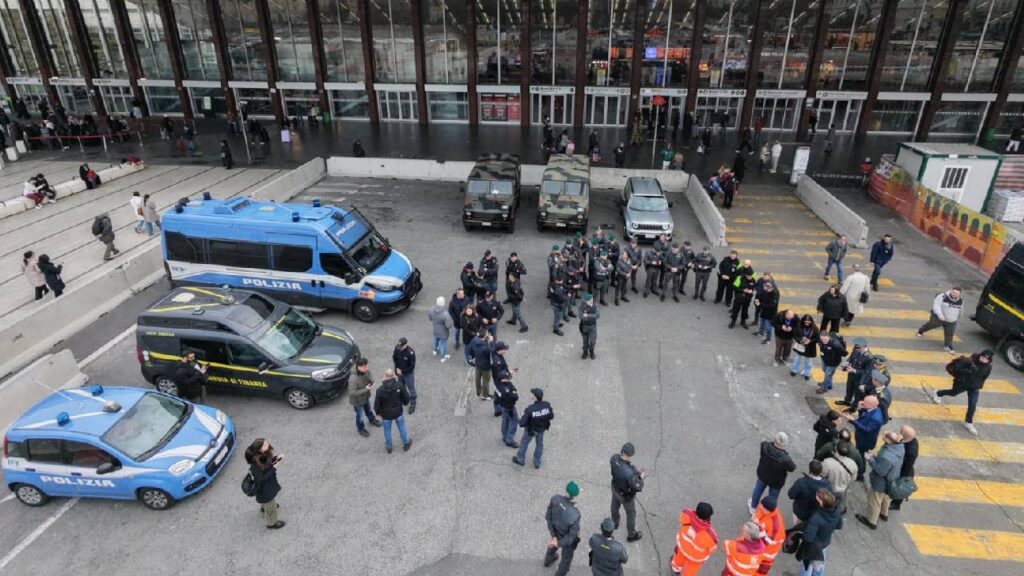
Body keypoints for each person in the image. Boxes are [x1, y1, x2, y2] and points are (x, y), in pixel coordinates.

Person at [932, 349, 993, 436]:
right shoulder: (969, 361)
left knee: (972, 405)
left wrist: (980, 385)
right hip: (962, 384)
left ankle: (968, 422)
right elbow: (956, 369)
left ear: (989, 361)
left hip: (974, 387)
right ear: (980, 355)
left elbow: (984, 377)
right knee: (953, 393)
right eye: (982, 357)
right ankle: (938, 393)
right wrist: (968, 371)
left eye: (986, 359)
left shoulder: (988, 367)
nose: (983, 360)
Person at [856, 431, 905, 530]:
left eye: (885, 437)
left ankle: (872, 521)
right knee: (886, 498)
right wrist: (875, 456)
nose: (883, 437)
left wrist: (869, 459)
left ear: (889, 441)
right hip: (893, 479)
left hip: (880, 483)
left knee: (875, 501)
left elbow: (880, 471)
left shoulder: (887, 456)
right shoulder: (900, 448)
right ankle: (884, 514)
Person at [748, 432, 796, 514]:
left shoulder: (764, 445)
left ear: (774, 439)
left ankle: (753, 506)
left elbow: (763, 446)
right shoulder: (786, 459)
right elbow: (792, 468)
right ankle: (769, 511)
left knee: (758, 490)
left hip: (763, 474)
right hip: (776, 481)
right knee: (773, 497)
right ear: (784, 444)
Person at [798, 489, 842, 576]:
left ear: (821, 503)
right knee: (819, 567)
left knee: (807, 567)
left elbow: (808, 538)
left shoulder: (816, 518)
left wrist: (801, 533)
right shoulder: (836, 512)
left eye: (817, 498)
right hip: (825, 543)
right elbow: (839, 526)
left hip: (813, 546)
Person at [244, 439, 286, 529]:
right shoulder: (255, 466)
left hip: (266, 487)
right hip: (265, 489)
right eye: (265, 444)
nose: (268, 444)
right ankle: (272, 523)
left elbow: (267, 464)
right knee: (270, 505)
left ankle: (265, 507)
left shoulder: (262, 455)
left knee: (267, 502)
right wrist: (274, 467)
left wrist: (275, 459)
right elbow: (261, 479)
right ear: (260, 449)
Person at [610, 442, 646, 542]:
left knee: (614, 506)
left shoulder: (614, 458)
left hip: (615, 488)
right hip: (626, 496)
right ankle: (631, 535)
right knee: (631, 514)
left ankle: (614, 523)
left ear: (622, 451)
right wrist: (640, 478)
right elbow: (637, 486)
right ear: (630, 455)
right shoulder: (630, 473)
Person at [544, 481, 582, 576]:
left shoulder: (555, 498)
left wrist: (553, 535)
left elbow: (548, 517)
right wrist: (558, 543)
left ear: (566, 490)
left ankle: (548, 560)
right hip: (565, 538)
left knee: (552, 546)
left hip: (555, 532)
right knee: (566, 560)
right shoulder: (575, 514)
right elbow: (571, 536)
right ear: (575, 496)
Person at [669, 502, 718, 575]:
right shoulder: (710, 535)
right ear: (709, 518)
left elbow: (683, 515)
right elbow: (712, 549)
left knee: (678, 559)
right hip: (696, 557)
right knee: (691, 570)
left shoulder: (686, 514)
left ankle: (675, 569)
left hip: (683, 546)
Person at [843, 395, 884, 476]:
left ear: (872, 405)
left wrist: (853, 420)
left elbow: (866, 429)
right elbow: (863, 417)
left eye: (865, 402)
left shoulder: (876, 418)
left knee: (861, 457)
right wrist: (860, 408)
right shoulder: (872, 409)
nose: (862, 403)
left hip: (865, 441)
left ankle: (860, 473)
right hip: (861, 437)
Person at [374, 368, 412, 453]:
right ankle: (406, 443)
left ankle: (389, 447)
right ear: (393, 376)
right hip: (398, 412)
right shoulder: (399, 386)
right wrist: (404, 403)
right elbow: (407, 398)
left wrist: (378, 413)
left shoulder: (379, 390)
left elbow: (377, 405)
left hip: (386, 415)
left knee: (387, 431)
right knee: (402, 427)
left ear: (385, 376)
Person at [916, 287, 964, 354]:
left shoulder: (961, 300)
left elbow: (961, 310)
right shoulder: (942, 296)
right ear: (951, 291)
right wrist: (940, 315)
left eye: (956, 293)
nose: (954, 294)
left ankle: (947, 346)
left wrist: (957, 317)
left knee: (949, 334)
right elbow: (936, 306)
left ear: (959, 294)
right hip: (939, 318)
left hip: (951, 321)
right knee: (930, 325)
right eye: (953, 292)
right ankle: (921, 331)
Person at [514, 387, 553, 468]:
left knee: (524, 443)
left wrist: (519, 420)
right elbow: (551, 416)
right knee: (539, 444)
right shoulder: (547, 405)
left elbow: (522, 423)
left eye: (533, 395)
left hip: (531, 430)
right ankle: (537, 462)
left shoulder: (530, 409)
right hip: (542, 429)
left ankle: (520, 459)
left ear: (535, 397)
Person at [788, 461, 833, 525]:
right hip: (816, 514)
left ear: (810, 470)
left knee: (797, 527)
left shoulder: (801, 482)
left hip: (800, 512)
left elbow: (791, 495)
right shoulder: (827, 484)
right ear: (821, 471)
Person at [820, 442, 856, 514]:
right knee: (839, 504)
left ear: (836, 449)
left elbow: (822, 475)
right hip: (843, 489)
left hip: (830, 489)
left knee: (826, 504)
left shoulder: (827, 462)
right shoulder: (853, 464)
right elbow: (853, 479)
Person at [752, 496, 785, 575]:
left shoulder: (775, 526)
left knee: (760, 572)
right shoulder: (764, 508)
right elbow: (756, 517)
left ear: (767, 510)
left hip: (767, 552)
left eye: (761, 507)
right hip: (758, 546)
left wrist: (757, 530)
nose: (759, 507)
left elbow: (767, 542)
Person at [790, 315, 820, 381]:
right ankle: (794, 370)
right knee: (797, 359)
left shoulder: (814, 328)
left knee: (808, 362)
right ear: (803, 320)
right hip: (800, 346)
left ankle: (807, 373)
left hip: (810, 347)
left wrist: (810, 341)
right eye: (805, 320)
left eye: (808, 320)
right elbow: (795, 335)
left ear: (811, 321)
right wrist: (800, 341)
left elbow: (818, 338)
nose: (807, 322)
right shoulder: (799, 326)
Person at [494, 369, 519, 447]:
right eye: (506, 378)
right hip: (509, 407)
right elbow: (515, 397)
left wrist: (513, 390)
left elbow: (512, 387)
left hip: (503, 406)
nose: (508, 379)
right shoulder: (505, 389)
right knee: (514, 421)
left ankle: (504, 436)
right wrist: (513, 392)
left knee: (505, 420)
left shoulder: (497, 384)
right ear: (502, 379)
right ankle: (509, 439)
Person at [392, 337, 417, 414]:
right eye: (399, 346)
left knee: (411, 389)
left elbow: (412, 366)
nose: (400, 348)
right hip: (399, 373)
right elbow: (394, 358)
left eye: (402, 346)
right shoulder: (397, 348)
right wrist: (396, 369)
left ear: (406, 345)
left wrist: (402, 371)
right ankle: (404, 399)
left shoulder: (410, 353)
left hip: (408, 374)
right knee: (401, 387)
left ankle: (412, 404)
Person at [469, 330, 494, 399]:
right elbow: (493, 351)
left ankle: (478, 391)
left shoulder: (474, 340)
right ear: (485, 336)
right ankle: (485, 395)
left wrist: (473, 357)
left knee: (477, 378)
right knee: (486, 381)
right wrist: (491, 342)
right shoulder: (485, 346)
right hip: (485, 366)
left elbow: (470, 350)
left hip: (477, 363)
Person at [428, 296, 453, 362]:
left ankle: (434, 351)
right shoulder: (446, 314)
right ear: (443, 303)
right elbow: (448, 326)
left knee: (435, 340)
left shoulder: (431, 309)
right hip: (443, 332)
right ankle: (442, 357)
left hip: (435, 329)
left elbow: (430, 318)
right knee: (443, 344)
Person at [579, 292, 600, 360]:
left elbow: (597, 315)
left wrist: (587, 315)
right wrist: (592, 317)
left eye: (592, 300)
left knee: (593, 341)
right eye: (590, 301)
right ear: (586, 301)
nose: (592, 302)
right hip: (584, 326)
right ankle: (585, 352)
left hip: (592, 326)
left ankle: (591, 351)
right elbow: (581, 317)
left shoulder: (595, 305)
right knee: (585, 341)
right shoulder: (581, 306)